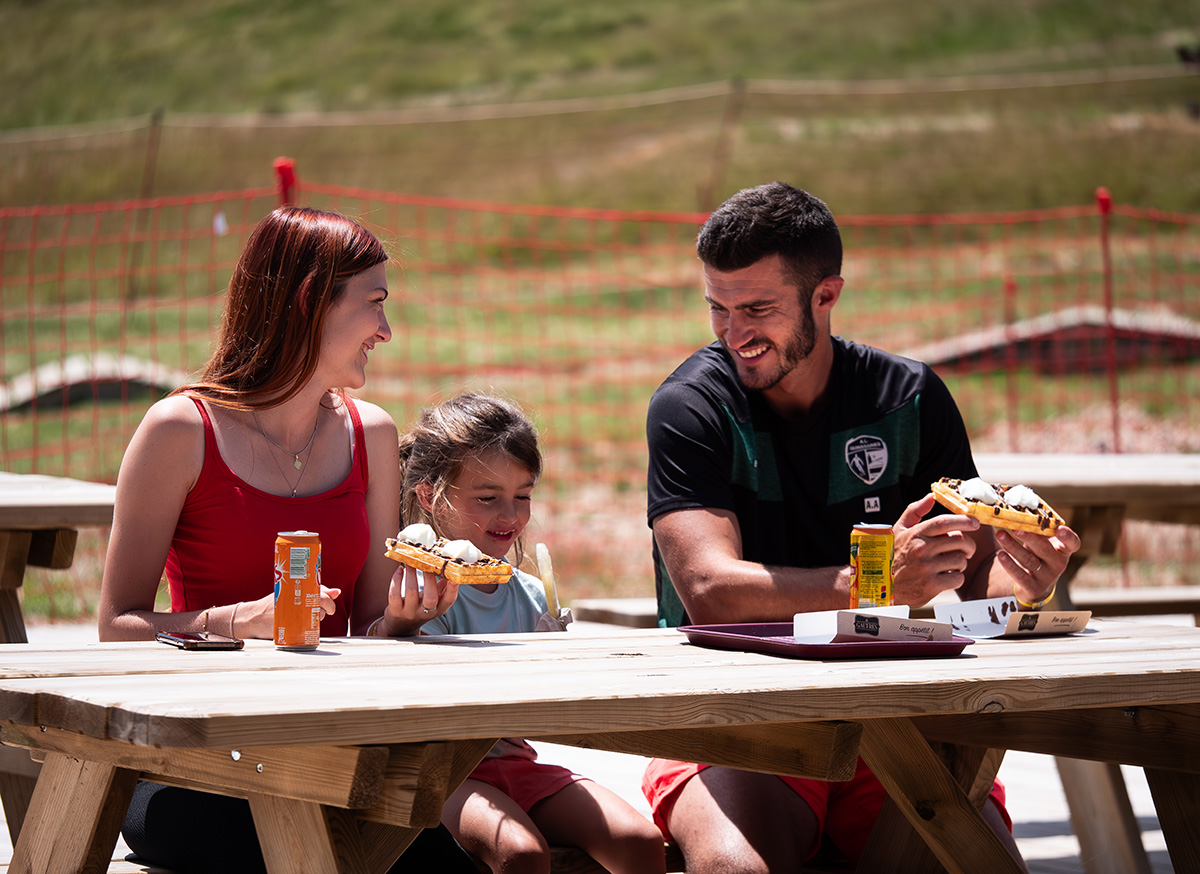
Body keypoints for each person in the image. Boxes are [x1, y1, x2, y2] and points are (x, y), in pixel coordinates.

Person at [642, 181, 1082, 873]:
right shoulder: (688, 405)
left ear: (827, 295)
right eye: (717, 310)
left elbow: (978, 592)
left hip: (891, 714)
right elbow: (708, 590)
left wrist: (1026, 581)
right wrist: (870, 584)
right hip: (727, 715)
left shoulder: (910, 396)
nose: (733, 334)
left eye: (758, 309)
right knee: (738, 869)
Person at [97, 206, 475, 873]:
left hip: (326, 752)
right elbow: (115, 625)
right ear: (308, 302)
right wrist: (233, 622)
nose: (386, 330)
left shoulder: (374, 436)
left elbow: (365, 635)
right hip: (195, 765)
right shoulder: (179, 431)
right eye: (375, 304)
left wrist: (406, 620)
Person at [400, 392, 666, 874]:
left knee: (641, 841)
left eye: (522, 496)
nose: (511, 516)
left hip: (516, 761)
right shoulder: (419, 592)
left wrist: (559, 663)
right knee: (520, 853)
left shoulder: (530, 593)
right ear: (427, 496)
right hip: (447, 770)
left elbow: (546, 719)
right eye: (488, 498)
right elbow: (427, 708)